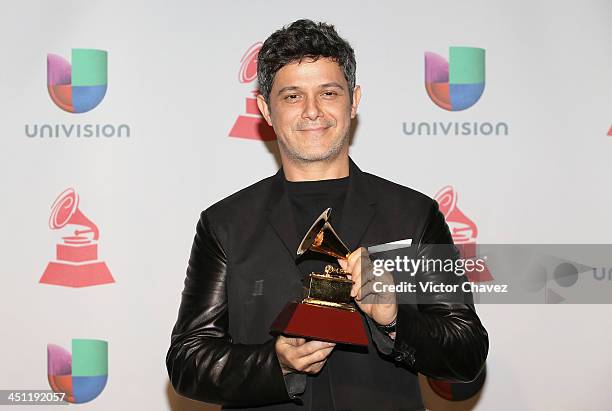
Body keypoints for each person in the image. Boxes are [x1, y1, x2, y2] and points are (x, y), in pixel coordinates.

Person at [166, 19, 488, 411]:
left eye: (328, 92)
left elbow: (468, 352)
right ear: (266, 109)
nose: (312, 111)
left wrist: (394, 319)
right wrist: (276, 363)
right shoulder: (226, 225)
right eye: (292, 97)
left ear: (353, 100)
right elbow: (187, 360)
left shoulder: (414, 215)